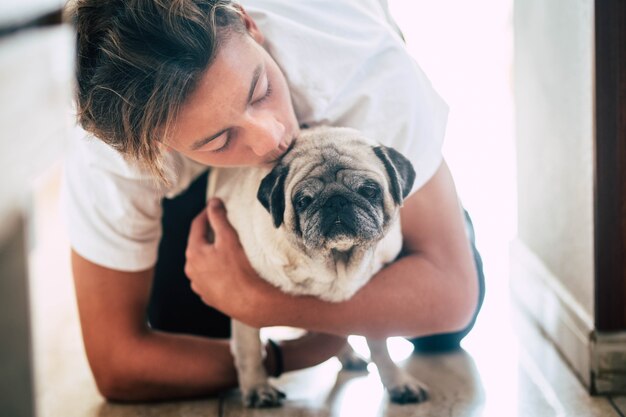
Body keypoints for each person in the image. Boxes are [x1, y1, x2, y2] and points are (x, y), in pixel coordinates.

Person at [62, 0, 485, 402]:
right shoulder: (112, 161)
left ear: (249, 25)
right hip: (217, 196)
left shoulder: (365, 71)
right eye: (220, 139)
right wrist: (294, 355)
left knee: (439, 332)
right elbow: (119, 364)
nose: (272, 137)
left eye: (261, 89)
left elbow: (452, 296)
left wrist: (265, 303)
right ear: (156, 148)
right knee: (189, 322)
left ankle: (435, 202)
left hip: (358, 125)